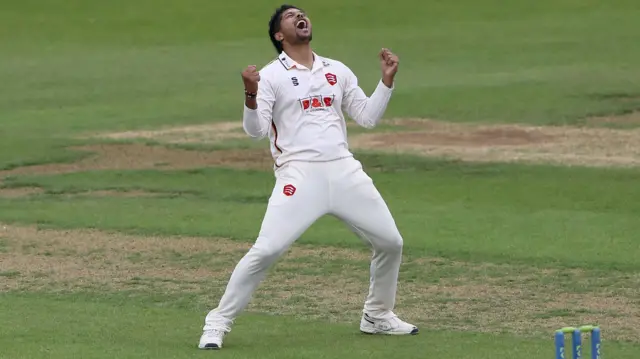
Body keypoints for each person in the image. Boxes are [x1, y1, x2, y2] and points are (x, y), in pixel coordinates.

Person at [198, 4, 418, 350]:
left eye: (302, 13)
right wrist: (250, 93)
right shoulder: (271, 76)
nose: (300, 17)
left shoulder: (336, 70)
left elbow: (367, 117)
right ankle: (217, 322)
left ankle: (377, 314)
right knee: (267, 249)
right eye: (290, 17)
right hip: (299, 175)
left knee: (391, 243)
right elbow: (255, 131)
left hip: (344, 169)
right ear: (279, 35)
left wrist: (386, 82)